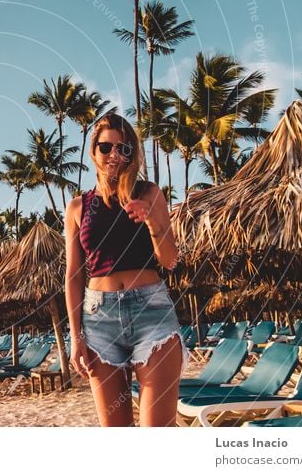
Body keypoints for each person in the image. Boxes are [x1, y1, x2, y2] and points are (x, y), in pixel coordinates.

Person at [64, 112, 187, 427]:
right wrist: (76, 337)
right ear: (94, 152)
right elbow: (74, 275)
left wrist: (153, 222)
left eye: (124, 149)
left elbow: (169, 260)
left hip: (152, 315)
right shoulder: (78, 207)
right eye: (107, 148)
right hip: (99, 321)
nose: (115, 155)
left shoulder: (149, 193)